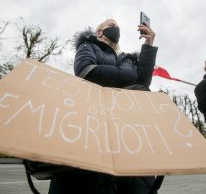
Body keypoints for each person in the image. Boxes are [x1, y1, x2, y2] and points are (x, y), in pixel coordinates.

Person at [48, 18, 159, 194]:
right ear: (99, 32)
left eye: (118, 27)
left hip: (126, 129)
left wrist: (148, 45)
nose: (116, 28)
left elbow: (143, 82)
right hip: (91, 125)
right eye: (111, 26)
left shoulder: (128, 59)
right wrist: (131, 75)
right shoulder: (88, 47)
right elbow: (86, 71)